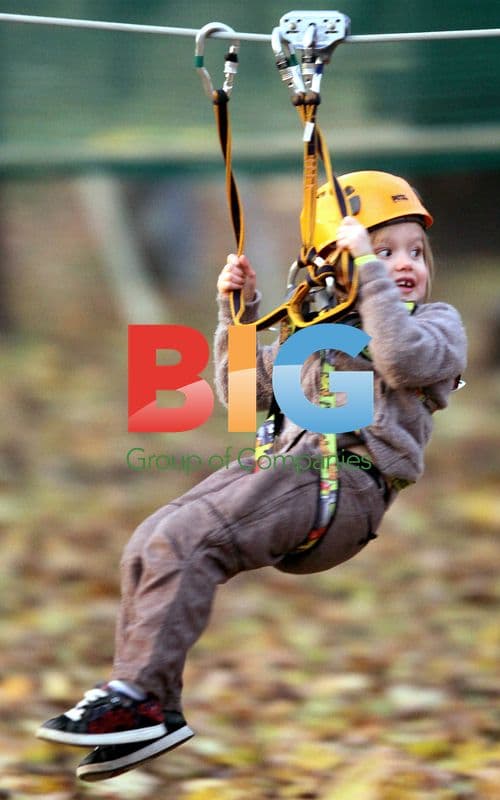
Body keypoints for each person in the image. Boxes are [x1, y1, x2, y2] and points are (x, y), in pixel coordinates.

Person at [36, 171, 467, 781]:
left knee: (192, 539)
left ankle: (136, 699)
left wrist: (368, 270)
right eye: (383, 250)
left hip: (346, 485)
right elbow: (242, 395)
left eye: (414, 253)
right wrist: (237, 314)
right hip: (293, 473)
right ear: (329, 268)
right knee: (154, 539)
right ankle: (150, 705)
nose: (403, 264)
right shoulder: (319, 336)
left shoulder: (438, 326)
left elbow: (401, 359)